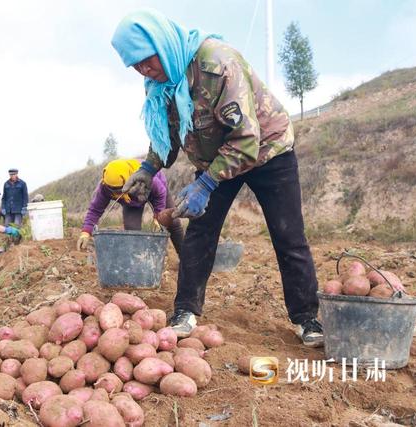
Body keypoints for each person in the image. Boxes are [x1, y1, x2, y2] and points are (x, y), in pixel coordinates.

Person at [111, 10, 322, 347]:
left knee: (288, 236)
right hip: (217, 158)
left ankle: (307, 318)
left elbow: (245, 140)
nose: (144, 71)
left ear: (162, 45)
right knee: (200, 232)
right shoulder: (162, 82)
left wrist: (206, 184)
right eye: (135, 66)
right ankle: (185, 310)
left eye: (146, 61)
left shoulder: (218, 63)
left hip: (267, 150)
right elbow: (167, 132)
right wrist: (148, 169)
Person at [76, 158, 183, 255]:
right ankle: (138, 261)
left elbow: (160, 193)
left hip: (156, 192)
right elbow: (95, 210)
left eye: (119, 189)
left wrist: (158, 215)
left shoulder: (147, 177)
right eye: (112, 190)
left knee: (173, 222)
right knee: (132, 232)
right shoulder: (104, 187)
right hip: (131, 204)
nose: (117, 194)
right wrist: (86, 232)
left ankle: (184, 256)